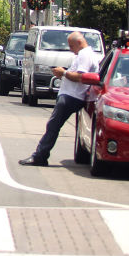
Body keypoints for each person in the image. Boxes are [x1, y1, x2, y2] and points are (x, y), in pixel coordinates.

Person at [19, 32, 101, 166]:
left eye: (71, 46)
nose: (70, 49)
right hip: (71, 95)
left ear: (79, 43)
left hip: (72, 96)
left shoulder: (85, 55)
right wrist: (64, 73)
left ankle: (40, 156)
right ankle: (40, 155)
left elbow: (81, 77)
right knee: (53, 125)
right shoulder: (85, 54)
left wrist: (63, 73)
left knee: (53, 126)